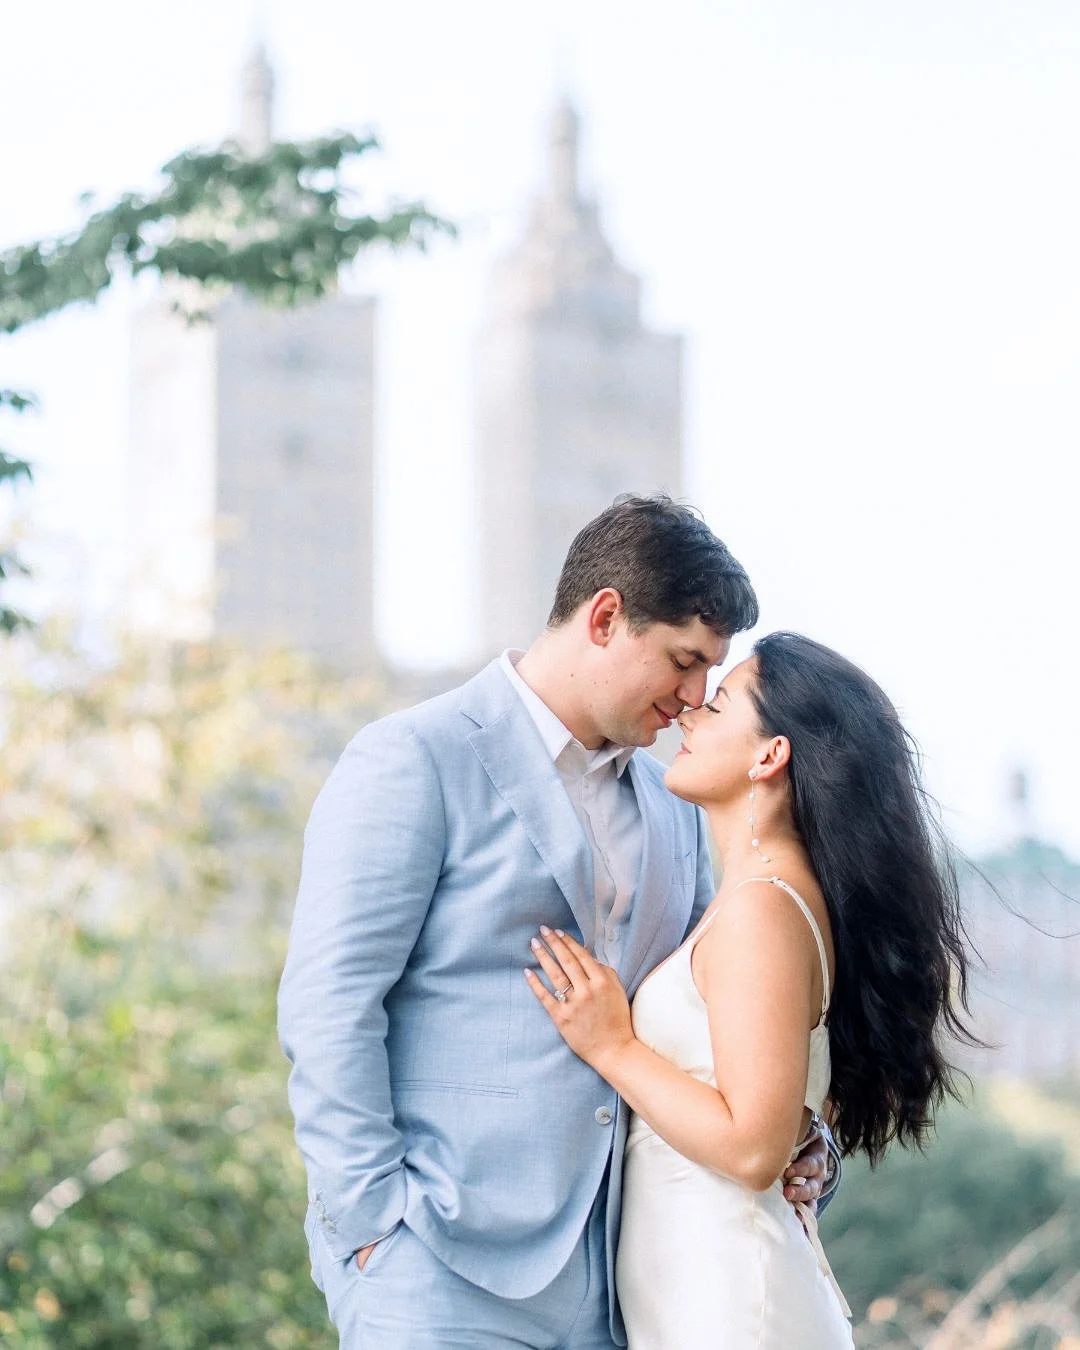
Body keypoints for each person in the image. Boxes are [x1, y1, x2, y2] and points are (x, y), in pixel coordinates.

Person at [277, 497, 838, 1348]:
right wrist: (371, 1228)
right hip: (437, 1268)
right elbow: (328, 1008)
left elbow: (712, 1026)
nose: (694, 700)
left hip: (623, 1283)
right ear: (606, 616)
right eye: (685, 662)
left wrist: (809, 1139)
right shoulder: (416, 758)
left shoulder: (676, 804)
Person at [529, 631, 974, 1348]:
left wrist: (611, 1046)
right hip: (707, 1299)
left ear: (770, 755)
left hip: (735, 1307)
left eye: (722, 702)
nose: (689, 713)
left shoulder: (764, 908)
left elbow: (752, 1149)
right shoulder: (760, 899)